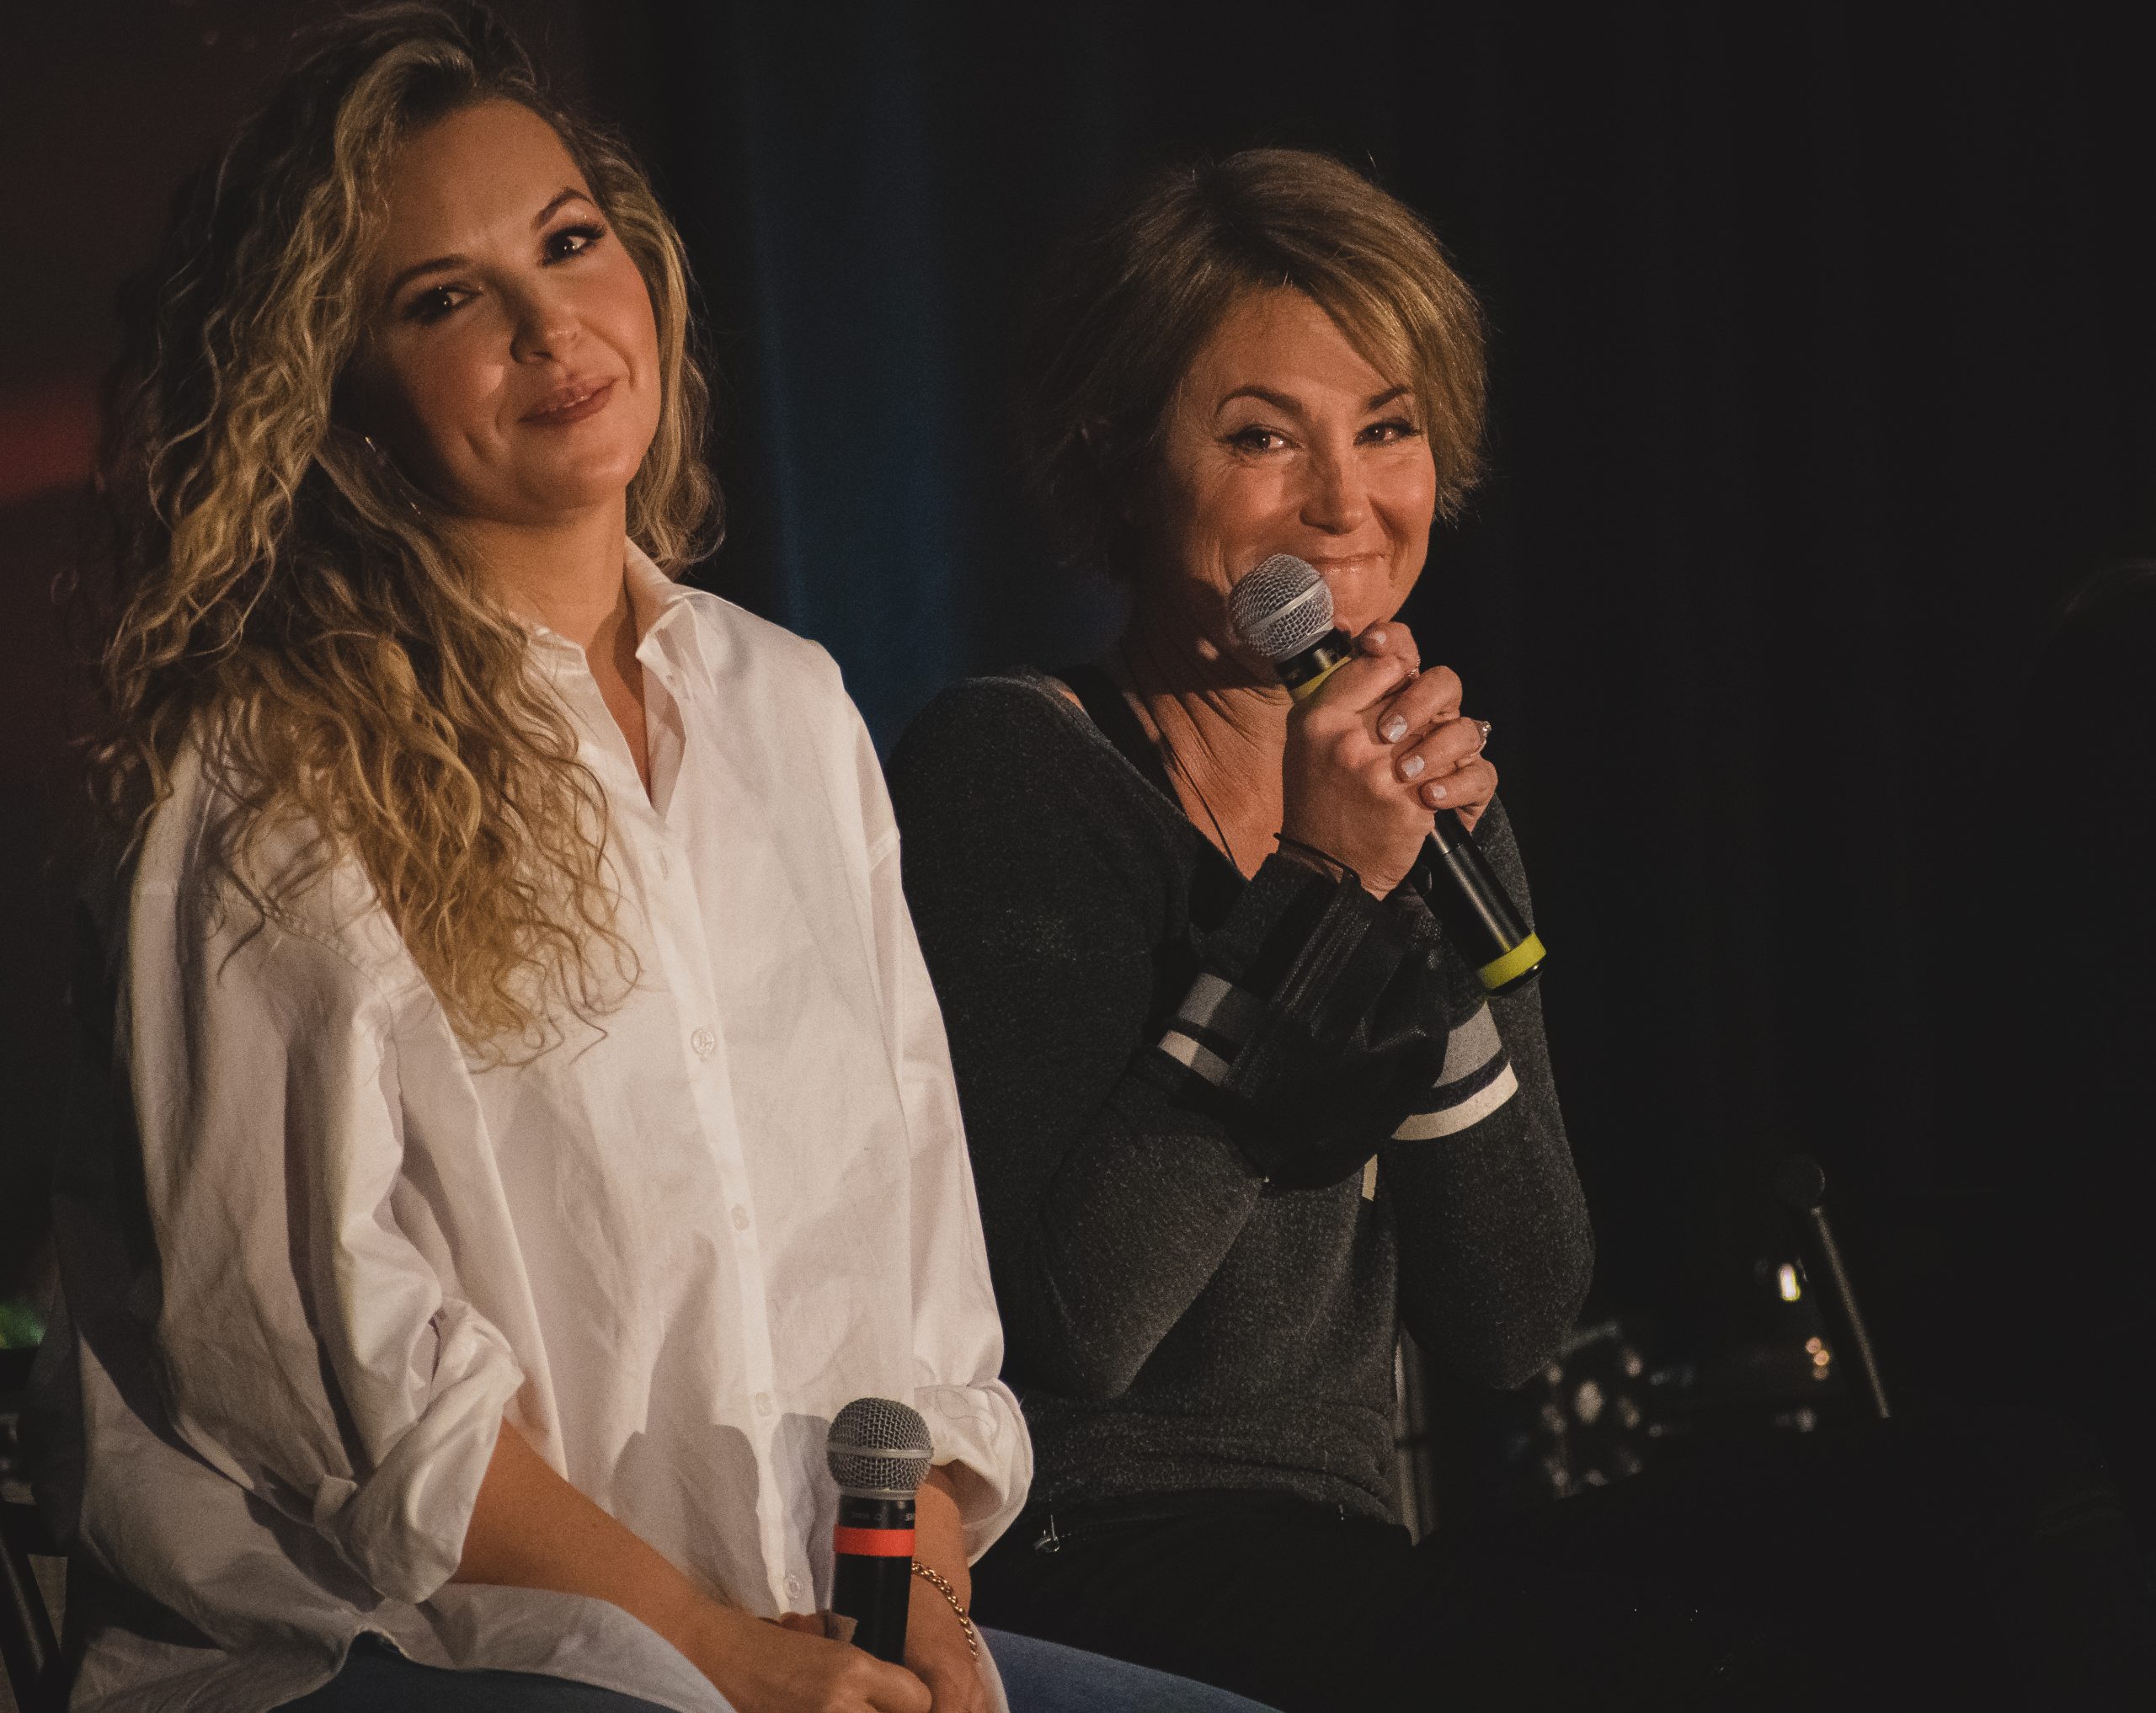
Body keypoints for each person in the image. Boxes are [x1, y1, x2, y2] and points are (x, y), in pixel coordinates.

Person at [32, 9, 1276, 1713]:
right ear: (341, 394)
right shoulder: (266, 772)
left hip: (791, 1623)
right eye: (444, 297)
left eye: (567, 242)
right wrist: (714, 1653)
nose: (549, 323)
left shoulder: (788, 705)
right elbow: (320, 1375)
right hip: (387, 1647)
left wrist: (912, 1604)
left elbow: (909, 1262)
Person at [886, 149, 2156, 1710]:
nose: (1345, 502)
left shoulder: (1428, 803)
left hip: (1353, 1550)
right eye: (1264, 436)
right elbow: (1085, 1320)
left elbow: (1513, 1313)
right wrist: (1319, 890)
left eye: (1389, 429)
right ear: (1120, 460)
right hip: (1102, 1549)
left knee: (1995, 1505)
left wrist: (1400, 887)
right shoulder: (1016, 767)